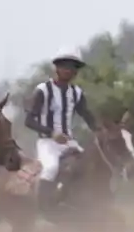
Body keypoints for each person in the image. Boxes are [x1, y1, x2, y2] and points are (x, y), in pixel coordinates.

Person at [23, 47, 100, 208]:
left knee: (89, 165)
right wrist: (52, 133)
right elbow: (29, 121)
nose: (69, 70)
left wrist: (101, 132)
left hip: (69, 143)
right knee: (51, 168)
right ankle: (43, 207)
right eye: (65, 66)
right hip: (47, 143)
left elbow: (87, 115)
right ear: (56, 67)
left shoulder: (76, 93)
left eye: (73, 67)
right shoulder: (43, 90)